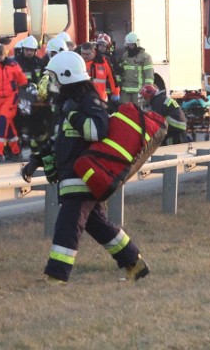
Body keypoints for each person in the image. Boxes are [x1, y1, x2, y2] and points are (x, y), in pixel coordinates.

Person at [26, 51, 150, 283]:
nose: (50, 84)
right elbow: (64, 140)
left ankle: (56, 276)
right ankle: (135, 264)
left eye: (53, 77)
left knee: (67, 226)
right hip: (73, 177)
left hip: (82, 178)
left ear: (66, 77)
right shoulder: (69, 104)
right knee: (99, 226)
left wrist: (72, 113)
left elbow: (96, 131)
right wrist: (38, 159)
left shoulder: (88, 102)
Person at [80, 40, 121, 108]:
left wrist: (116, 93)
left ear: (93, 52)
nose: (84, 56)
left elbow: (112, 78)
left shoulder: (103, 61)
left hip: (101, 99)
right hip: (84, 98)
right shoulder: (79, 61)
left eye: (87, 54)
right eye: (82, 53)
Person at [117, 32, 153, 103]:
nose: (130, 46)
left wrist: (148, 88)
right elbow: (121, 72)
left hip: (139, 91)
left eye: (132, 44)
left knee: (138, 111)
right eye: (129, 44)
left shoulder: (145, 57)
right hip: (125, 91)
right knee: (125, 112)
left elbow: (149, 75)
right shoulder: (125, 56)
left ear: (137, 44)